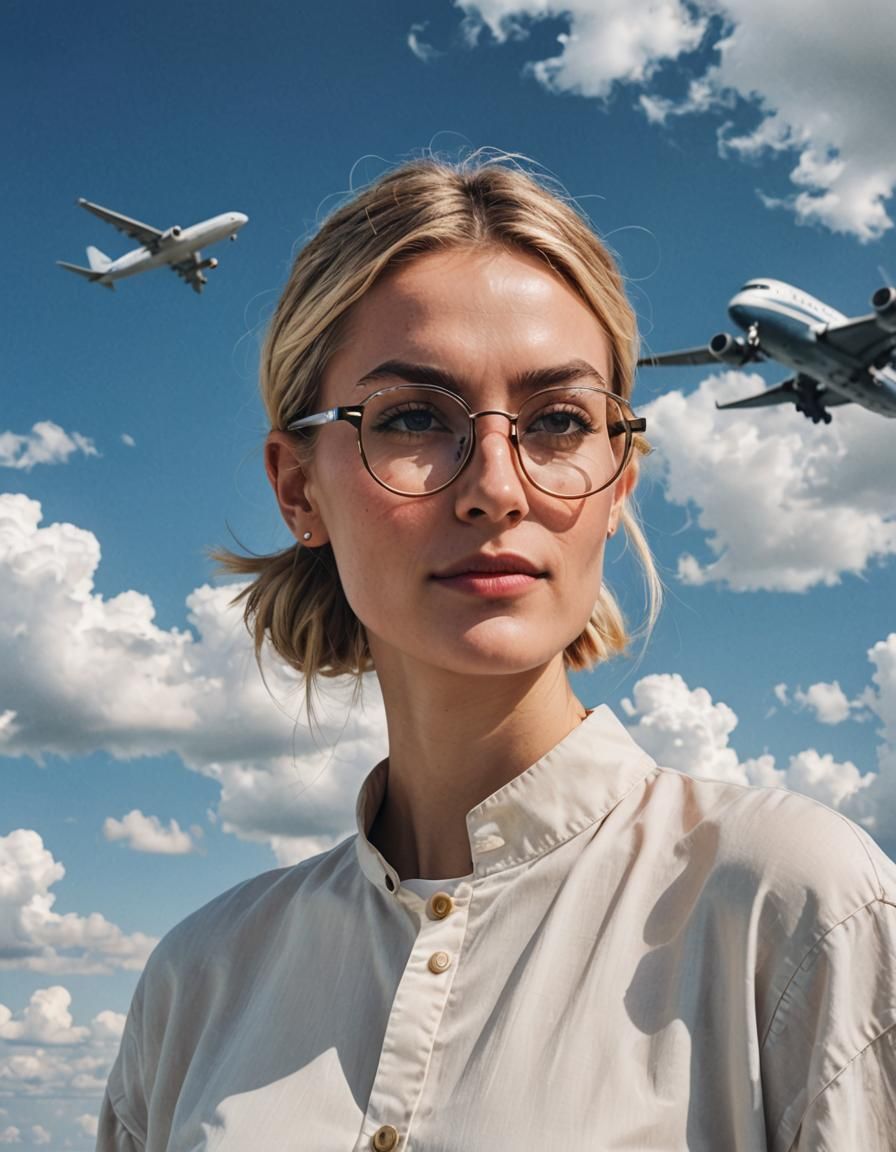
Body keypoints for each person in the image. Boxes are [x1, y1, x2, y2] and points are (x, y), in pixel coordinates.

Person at [96, 156, 896, 1152]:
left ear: (616, 487)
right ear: (297, 488)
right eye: (414, 419)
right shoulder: (194, 985)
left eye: (557, 422)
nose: (496, 489)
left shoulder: (793, 909)